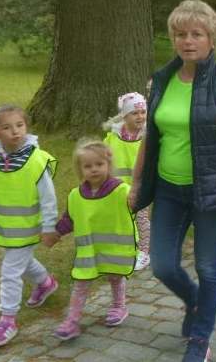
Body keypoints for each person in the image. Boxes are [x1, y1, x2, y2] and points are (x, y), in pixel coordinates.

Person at [129, 0, 216, 362]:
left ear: (211, 39)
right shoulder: (161, 80)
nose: (187, 41)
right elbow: (150, 137)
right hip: (168, 189)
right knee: (162, 265)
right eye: (180, 34)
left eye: (196, 34)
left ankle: (200, 339)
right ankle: (195, 302)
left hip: (213, 191)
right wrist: (137, 181)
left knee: (208, 266)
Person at [0, 105, 59, 348]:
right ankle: (46, 283)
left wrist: (49, 227)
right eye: (7, 127)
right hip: (4, 228)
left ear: (27, 127)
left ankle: (8, 319)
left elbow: (48, 199)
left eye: (20, 125)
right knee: (20, 261)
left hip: (28, 228)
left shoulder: (36, 161)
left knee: (10, 271)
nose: (15, 131)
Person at [48, 140, 135, 340]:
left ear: (108, 165)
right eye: (88, 166)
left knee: (115, 277)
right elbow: (70, 219)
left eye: (99, 164)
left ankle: (119, 306)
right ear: (80, 170)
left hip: (115, 249)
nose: (94, 169)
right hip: (89, 252)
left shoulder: (122, 190)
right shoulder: (76, 196)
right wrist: (56, 233)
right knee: (81, 284)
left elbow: (137, 205)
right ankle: (72, 321)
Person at [103, 92, 150, 270]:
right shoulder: (113, 137)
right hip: (118, 187)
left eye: (143, 112)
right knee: (121, 218)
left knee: (141, 218)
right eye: (134, 113)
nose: (140, 116)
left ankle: (144, 252)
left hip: (141, 186)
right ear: (124, 115)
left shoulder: (147, 136)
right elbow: (105, 157)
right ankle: (124, 246)